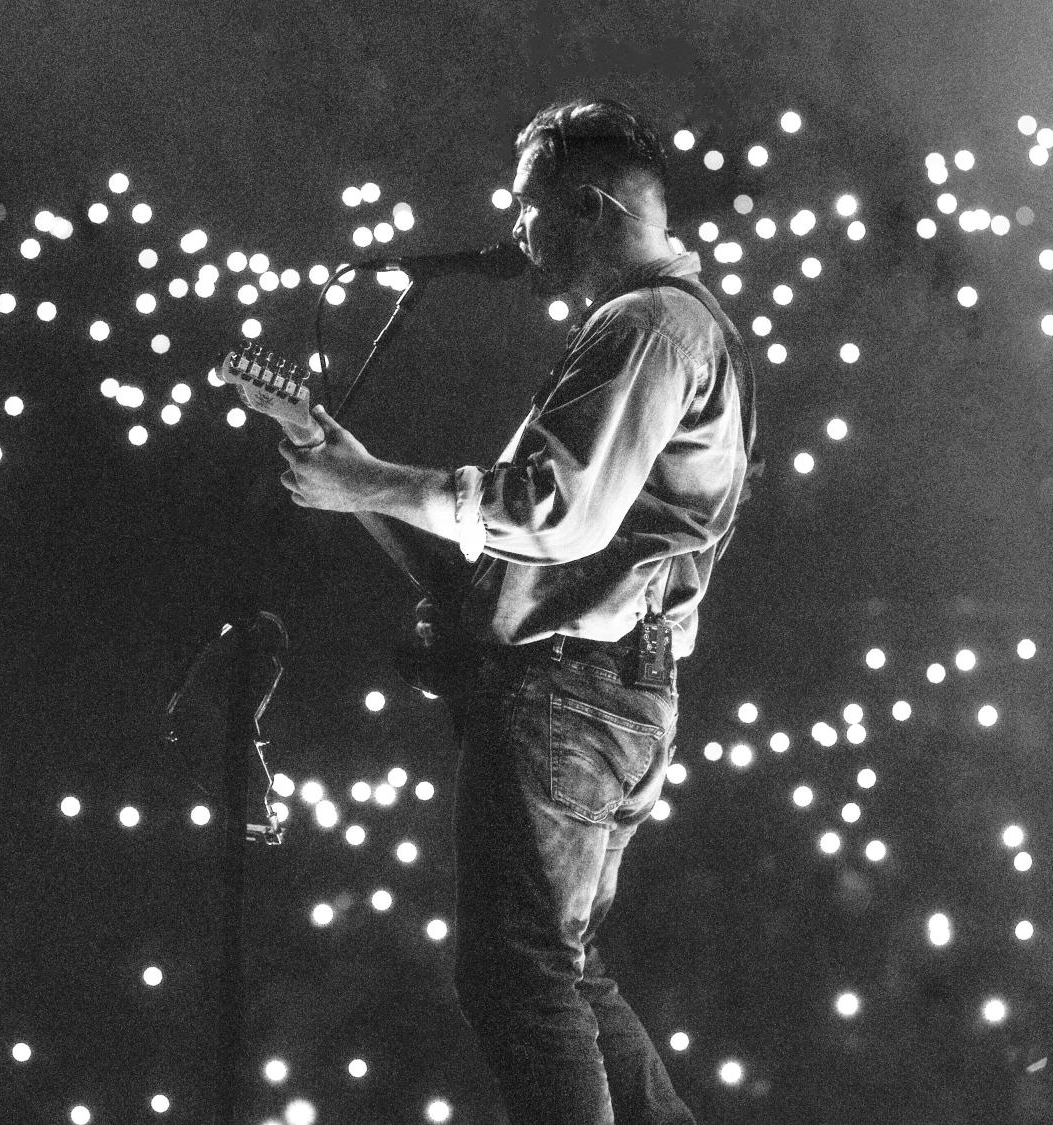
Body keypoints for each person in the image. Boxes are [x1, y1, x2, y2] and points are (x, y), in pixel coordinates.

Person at [279, 97, 753, 1125]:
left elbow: (552, 513)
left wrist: (371, 485)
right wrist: (360, 481)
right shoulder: (668, 327)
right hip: (604, 692)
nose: (517, 230)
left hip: (574, 696)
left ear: (589, 208)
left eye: (530, 204)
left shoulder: (646, 327)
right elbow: (530, 554)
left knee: (520, 976)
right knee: (558, 970)